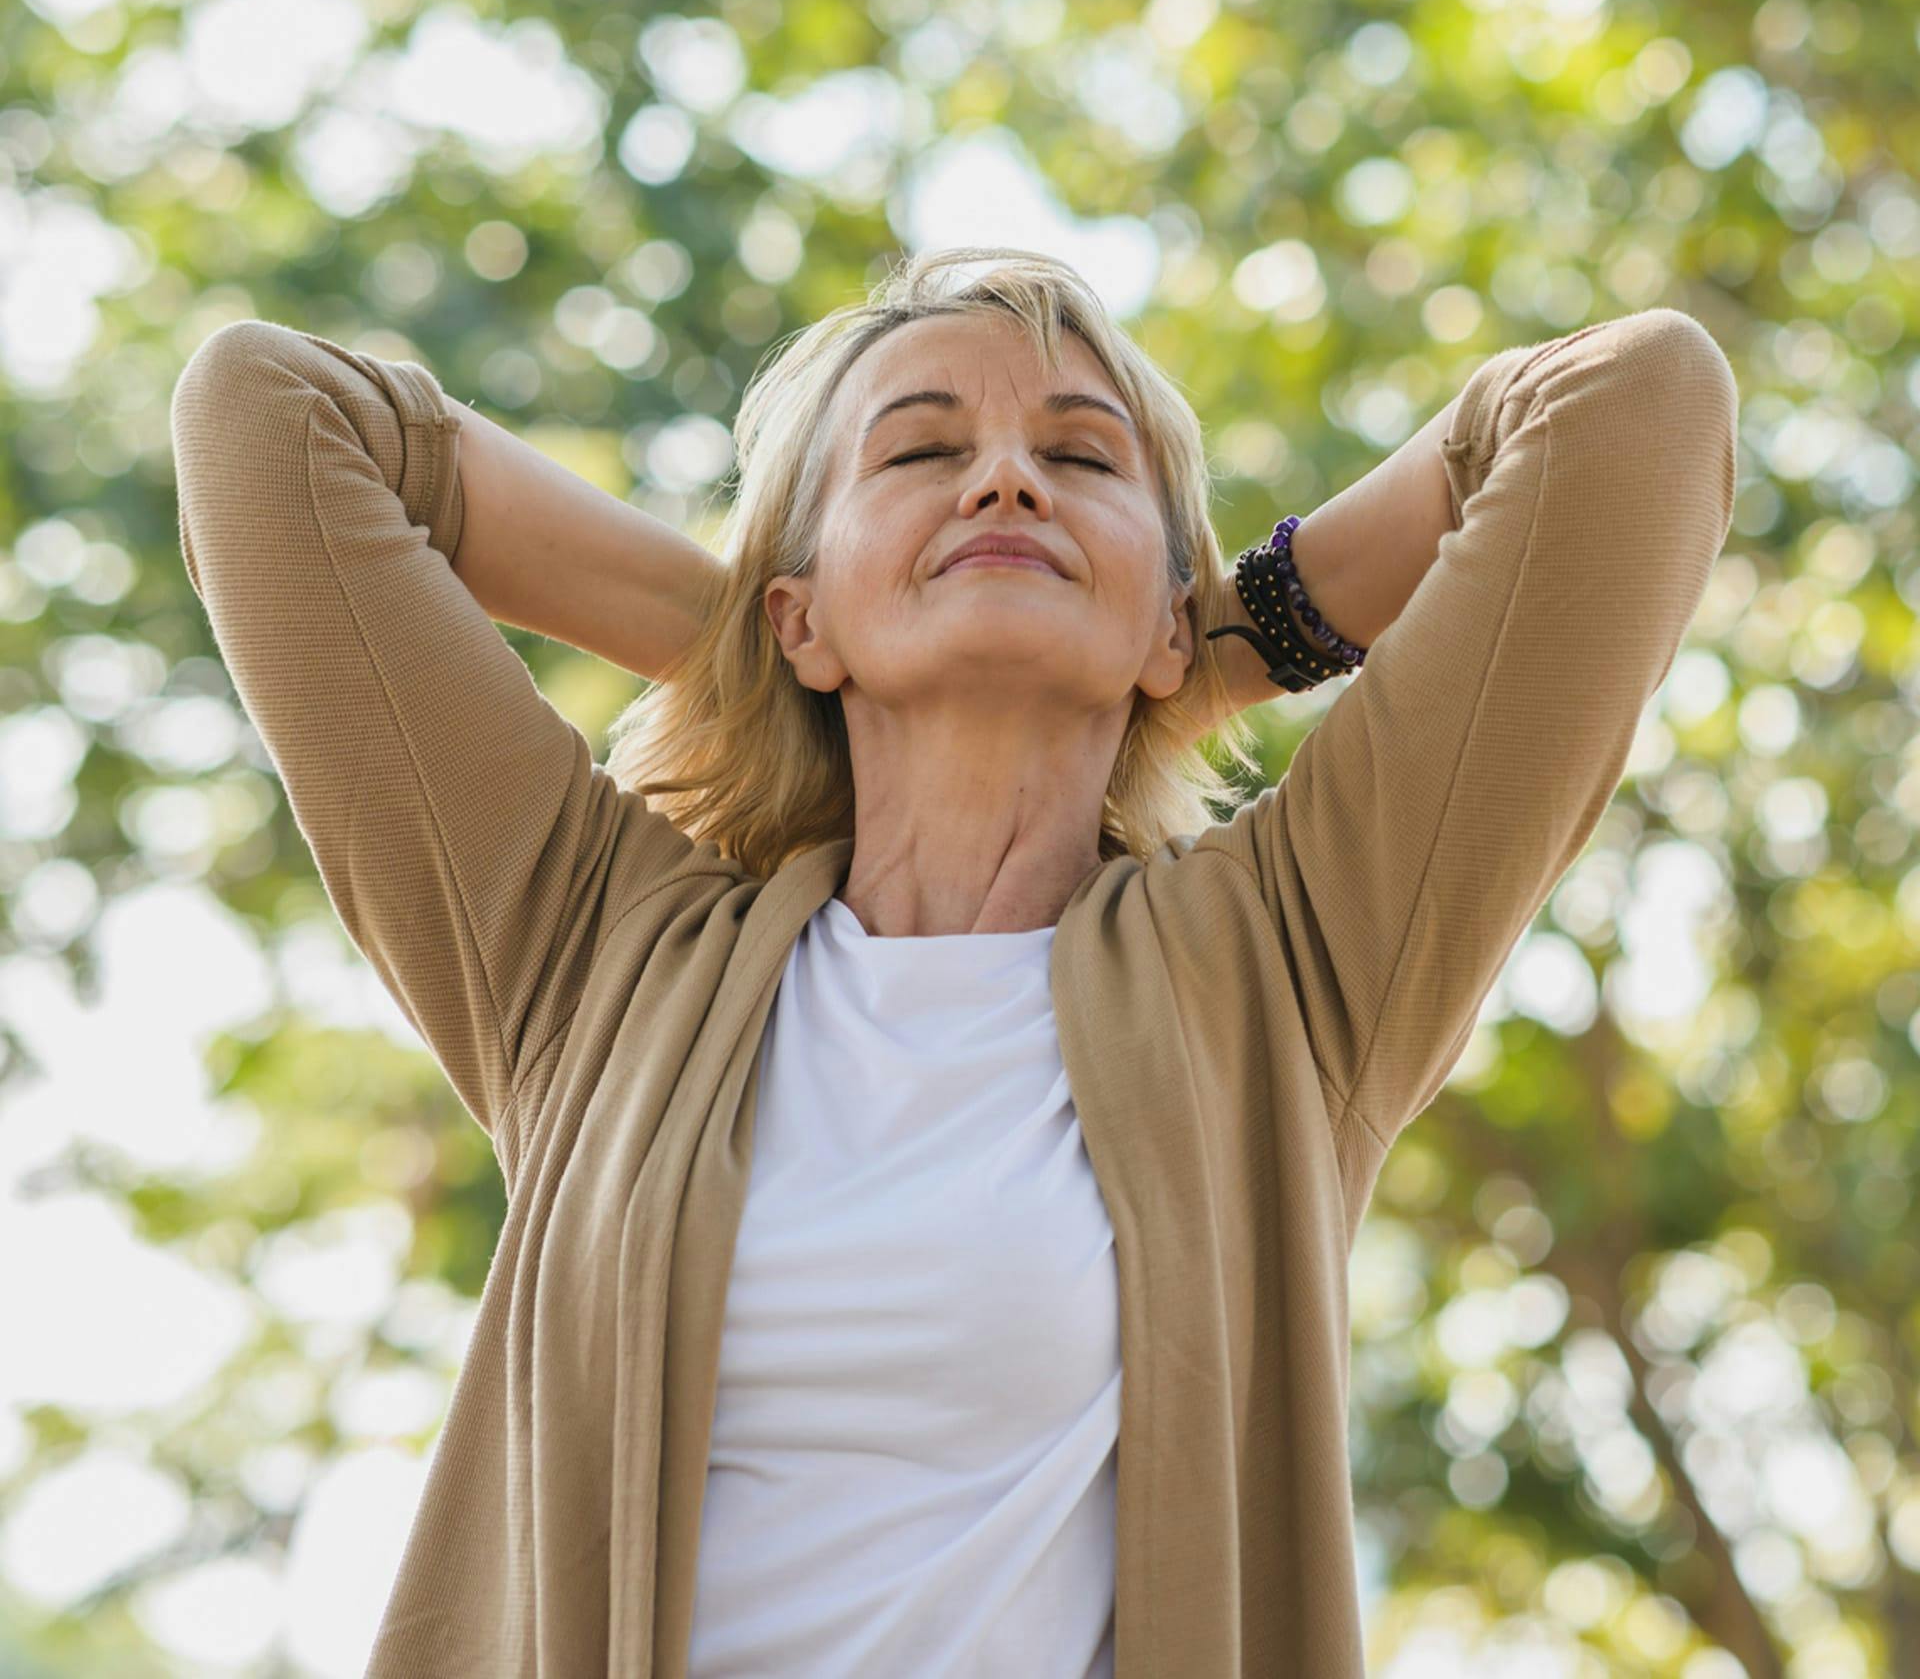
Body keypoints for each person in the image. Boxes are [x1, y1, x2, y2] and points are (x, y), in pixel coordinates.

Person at [169, 246, 1738, 1675]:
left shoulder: (1285, 963)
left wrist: (1199, 649)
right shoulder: (595, 956)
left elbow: (1633, 409)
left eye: (1077, 459)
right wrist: (767, 651)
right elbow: (271, 419)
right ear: (800, 613)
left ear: (1168, 622)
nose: (1004, 482)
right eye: (920, 453)